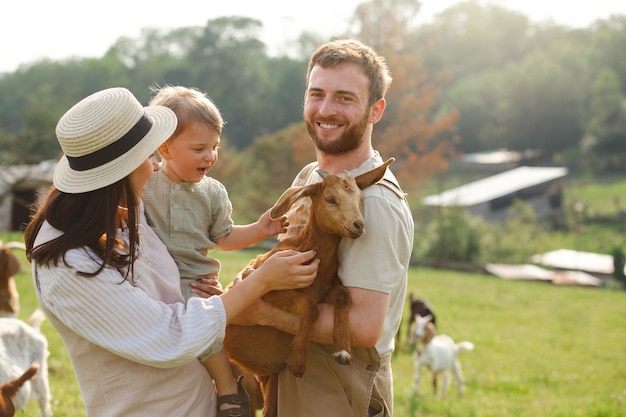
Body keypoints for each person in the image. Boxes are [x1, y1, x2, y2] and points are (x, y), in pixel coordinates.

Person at [23, 87, 319, 417]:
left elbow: (175, 283)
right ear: (118, 173)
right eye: (150, 156)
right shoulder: (69, 266)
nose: (155, 167)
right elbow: (170, 336)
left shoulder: (125, 211)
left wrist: (213, 300)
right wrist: (258, 284)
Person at [232, 39, 415, 416]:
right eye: (317, 94)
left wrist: (259, 312)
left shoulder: (375, 202)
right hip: (292, 377)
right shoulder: (312, 178)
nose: (326, 109)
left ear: (375, 110)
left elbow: (363, 327)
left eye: (345, 98)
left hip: (339, 392)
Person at [141, 85, 287, 415]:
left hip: (196, 279)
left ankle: (230, 392)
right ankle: (234, 383)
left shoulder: (213, 193)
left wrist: (261, 230)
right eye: (199, 148)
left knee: (207, 326)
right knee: (204, 332)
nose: (210, 156)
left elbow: (225, 238)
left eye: (215, 147)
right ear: (164, 148)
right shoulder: (147, 182)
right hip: (158, 278)